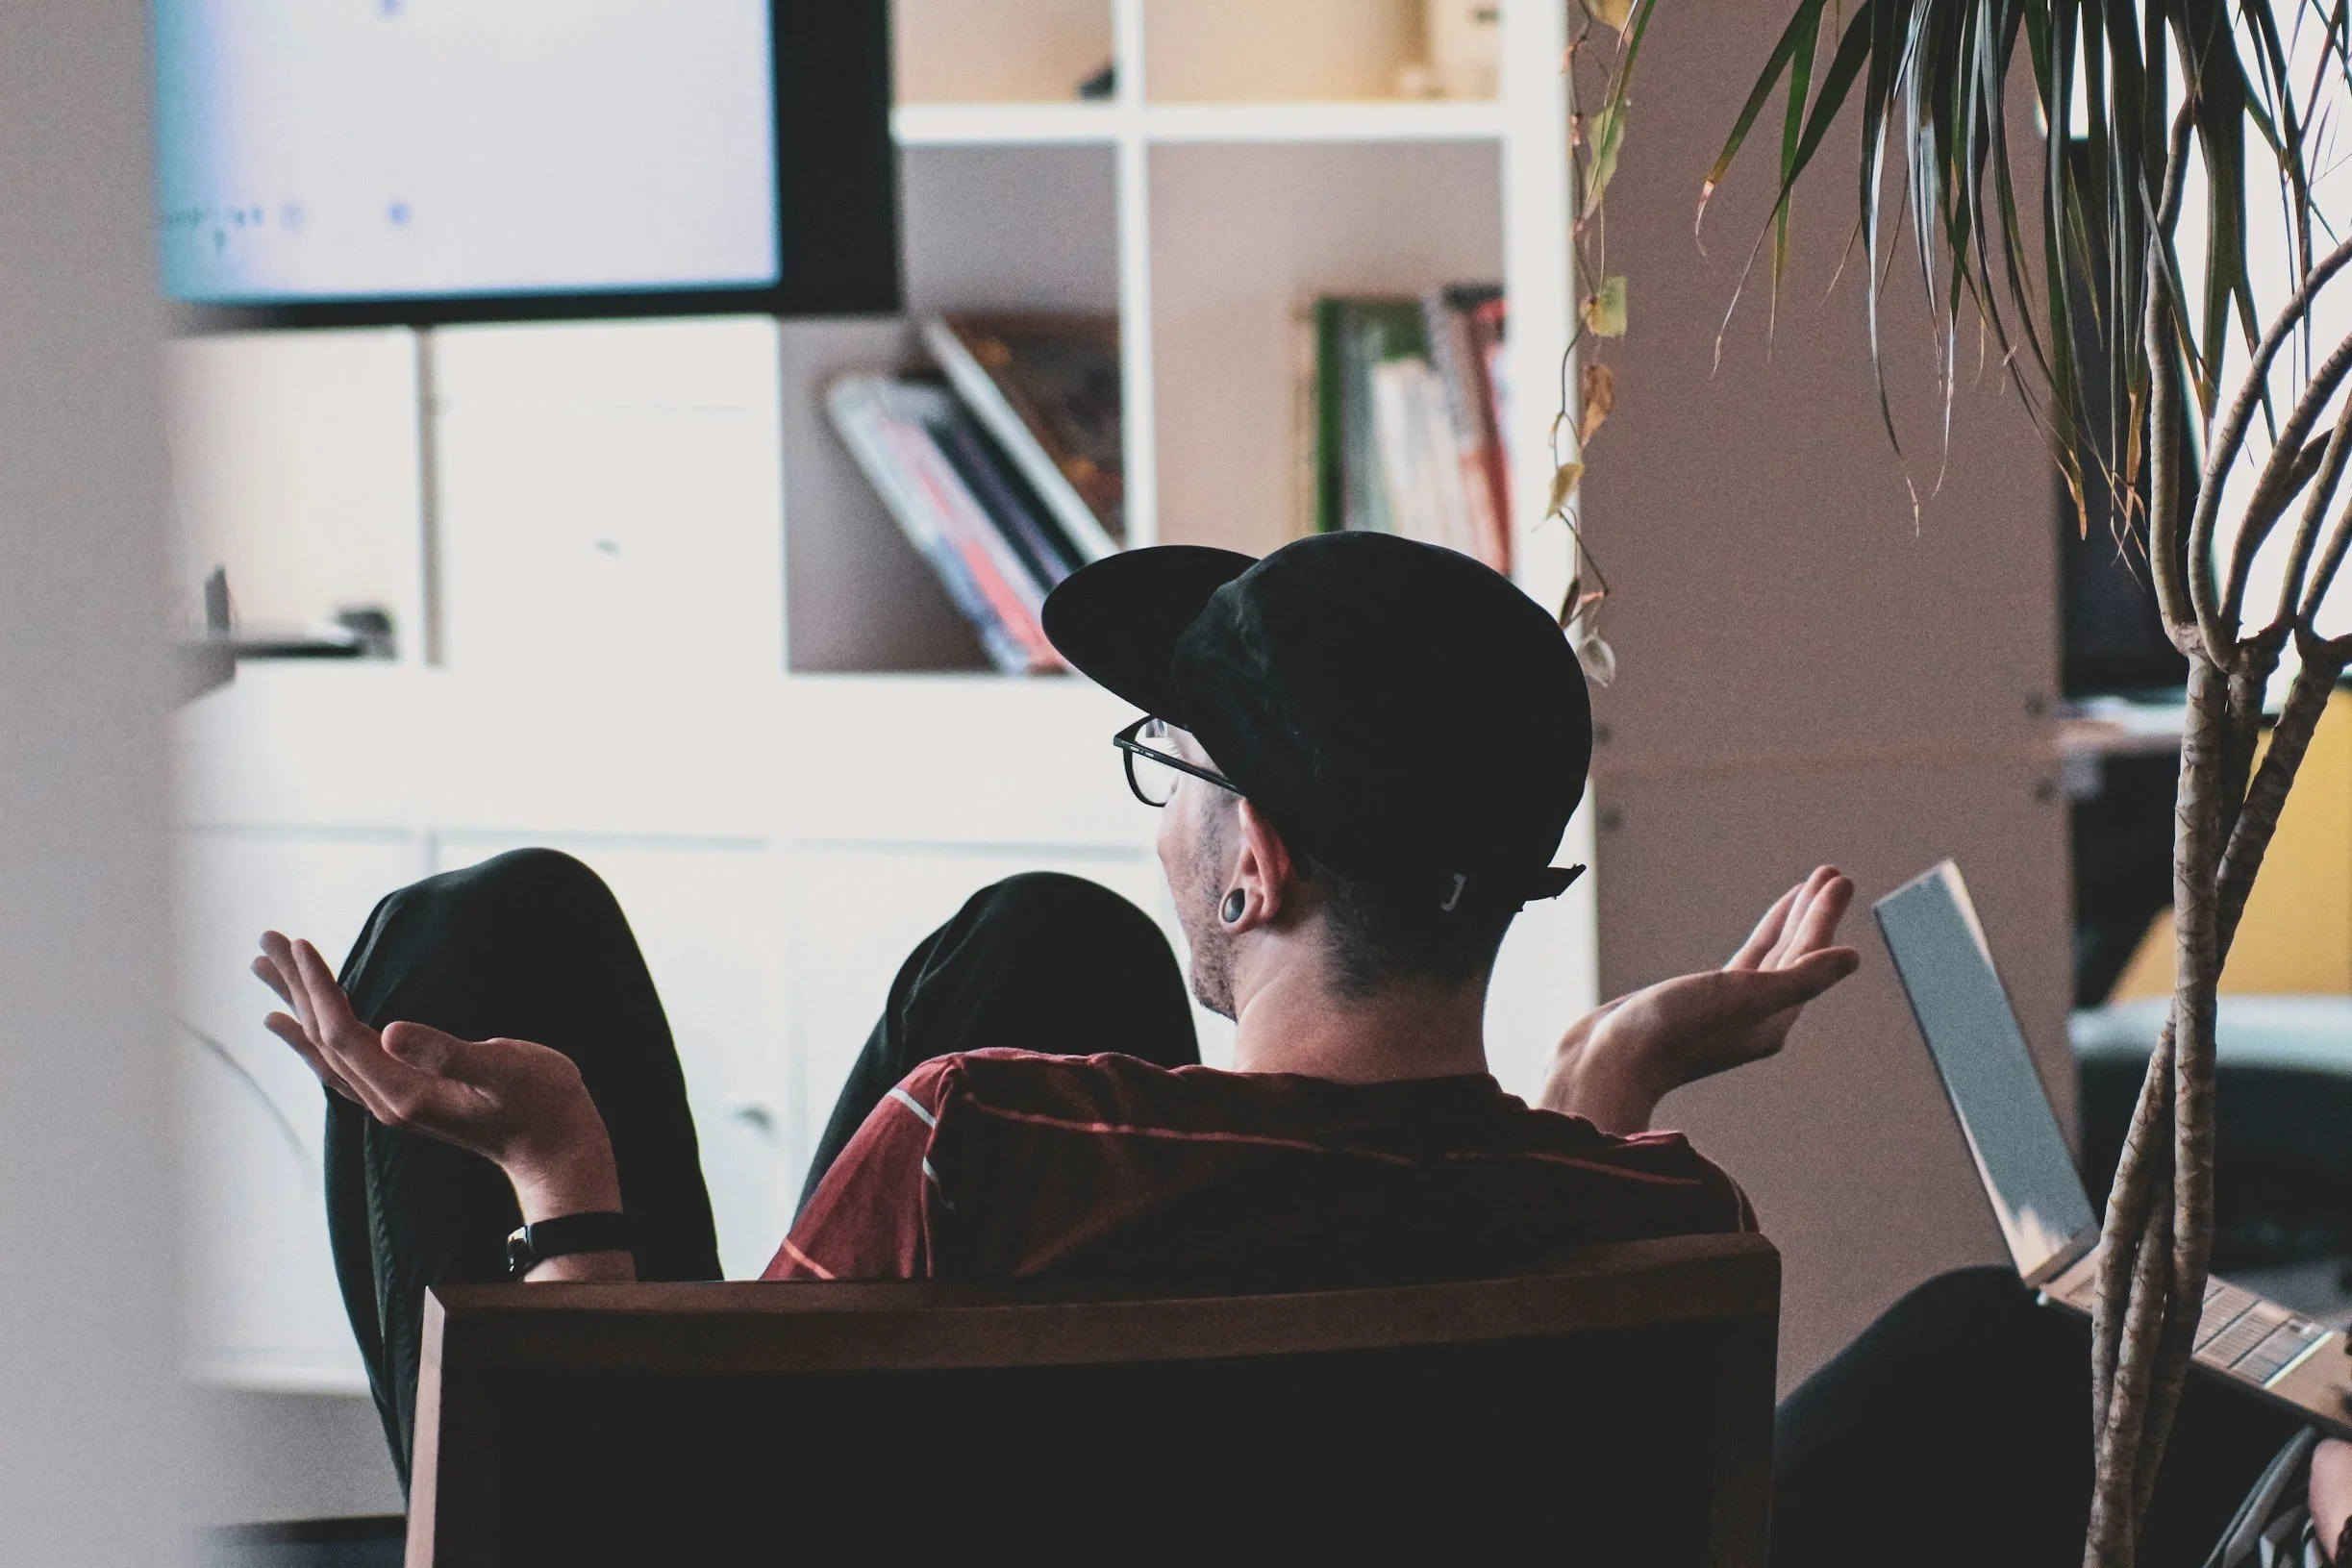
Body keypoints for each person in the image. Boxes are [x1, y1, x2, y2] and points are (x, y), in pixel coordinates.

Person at [253, 534, 2319, 1564]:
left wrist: (562, 1184)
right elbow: (1474, 1198)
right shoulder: (1646, 1219)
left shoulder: (981, 1139)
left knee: (481, 942)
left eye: (1174, 772)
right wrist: (1608, 1072)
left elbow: (637, 1537)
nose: (1159, 819)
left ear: (1244, 861)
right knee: (1046, 942)